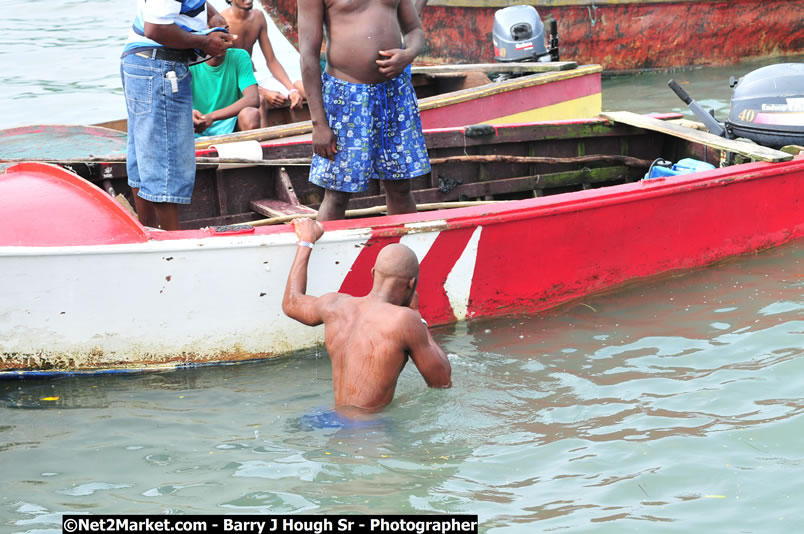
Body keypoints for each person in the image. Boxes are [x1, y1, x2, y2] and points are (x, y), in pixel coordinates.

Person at [282, 219, 452, 414]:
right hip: (369, 430)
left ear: (372, 274)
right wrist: (417, 315)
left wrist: (306, 240)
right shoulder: (404, 319)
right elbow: (441, 381)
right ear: (411, 284)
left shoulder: (334, 305)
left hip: (330, 417)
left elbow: (291, 303)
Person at [298, 0, 430, 221]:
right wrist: (318, 123)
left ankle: (403, 253)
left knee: (400, 187)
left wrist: (408, 54)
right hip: (345, 100)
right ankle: (327, 255)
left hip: (394, 94)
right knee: (338, 193)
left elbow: (414, 30)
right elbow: (307, 56)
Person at [121, 0, 233, 230]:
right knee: (166, 164)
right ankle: (170, 244)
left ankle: (149, 233)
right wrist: (204, 41)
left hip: (145, 63)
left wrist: (211, 15)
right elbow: (156, 28)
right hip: (158, 66)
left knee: (145, 158)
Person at [221, 0, 305, 127]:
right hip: (233, 81)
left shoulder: (258, 17)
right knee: (260, 101)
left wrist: (292, 90)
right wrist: (263, 92)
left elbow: (271, 60)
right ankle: (264, 144)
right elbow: (225, 70)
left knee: (301, 87)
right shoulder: (221, 22)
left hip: (253, 76)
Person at [190, 48, 260, 137]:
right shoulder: (188, 60)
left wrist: (212, 117)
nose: (219, 44)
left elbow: (252, 99)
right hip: (197, 125)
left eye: (224, 39)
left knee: (250, 114)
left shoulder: (239, 56)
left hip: (230, 122)